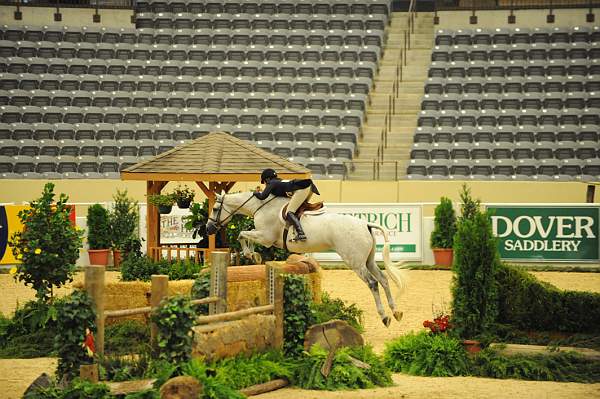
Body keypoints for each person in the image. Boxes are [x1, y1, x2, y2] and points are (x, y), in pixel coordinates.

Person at [253, 168, 320, 241]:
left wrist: (255, 193)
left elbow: (262, 196)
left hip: (302, 188)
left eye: (264, 182)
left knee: (289, 212)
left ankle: (301, 234)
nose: (265, 184)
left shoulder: (272, 183)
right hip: (308, 187)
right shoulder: (278, 181)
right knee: (298, 210)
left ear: (267, 179)